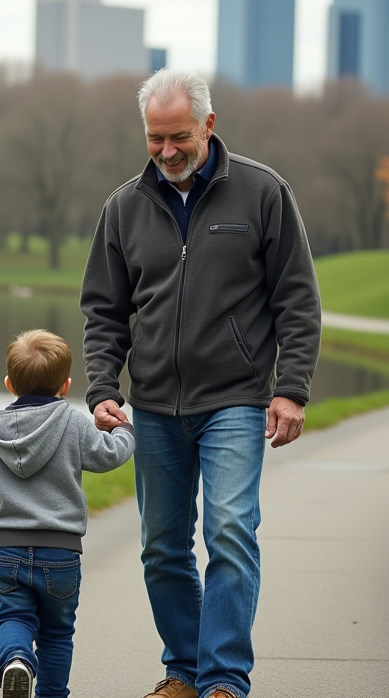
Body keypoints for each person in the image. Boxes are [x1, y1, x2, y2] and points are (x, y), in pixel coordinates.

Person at [81, 69, 322, 698]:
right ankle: (183, 671)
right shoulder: (123, 207)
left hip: (236, 400)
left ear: (209, 126)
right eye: (155, 138)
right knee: (162, 548)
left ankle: (222, 680)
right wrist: (103, 387)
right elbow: (104, 310)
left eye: (179, 136)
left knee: (229, 532)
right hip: (154, 405)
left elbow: (297, 299)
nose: (167, 151)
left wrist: (290, 388)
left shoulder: (263, 193)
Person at [0, 329, 135, 698]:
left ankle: (16, 659)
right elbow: (109, 455)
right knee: (57, 633)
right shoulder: (73, 422)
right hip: (61, 553)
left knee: (13, 617)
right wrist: (126, 430)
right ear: (65, 386)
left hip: (8, 552)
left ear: (8, 383)